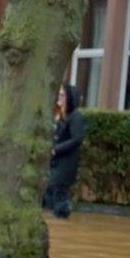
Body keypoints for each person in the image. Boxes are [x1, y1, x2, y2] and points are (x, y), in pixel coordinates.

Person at [42, 84, 86, 219]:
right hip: (55, 164)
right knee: (48, 198)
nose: (59, 97)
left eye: (62, 95)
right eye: (59, 94)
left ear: (70, 98)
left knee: (60, 199)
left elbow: (77, 139)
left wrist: (55, 150)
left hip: (65, 166)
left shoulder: (76, 117)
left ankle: (61, 219)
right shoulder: (62, 116)